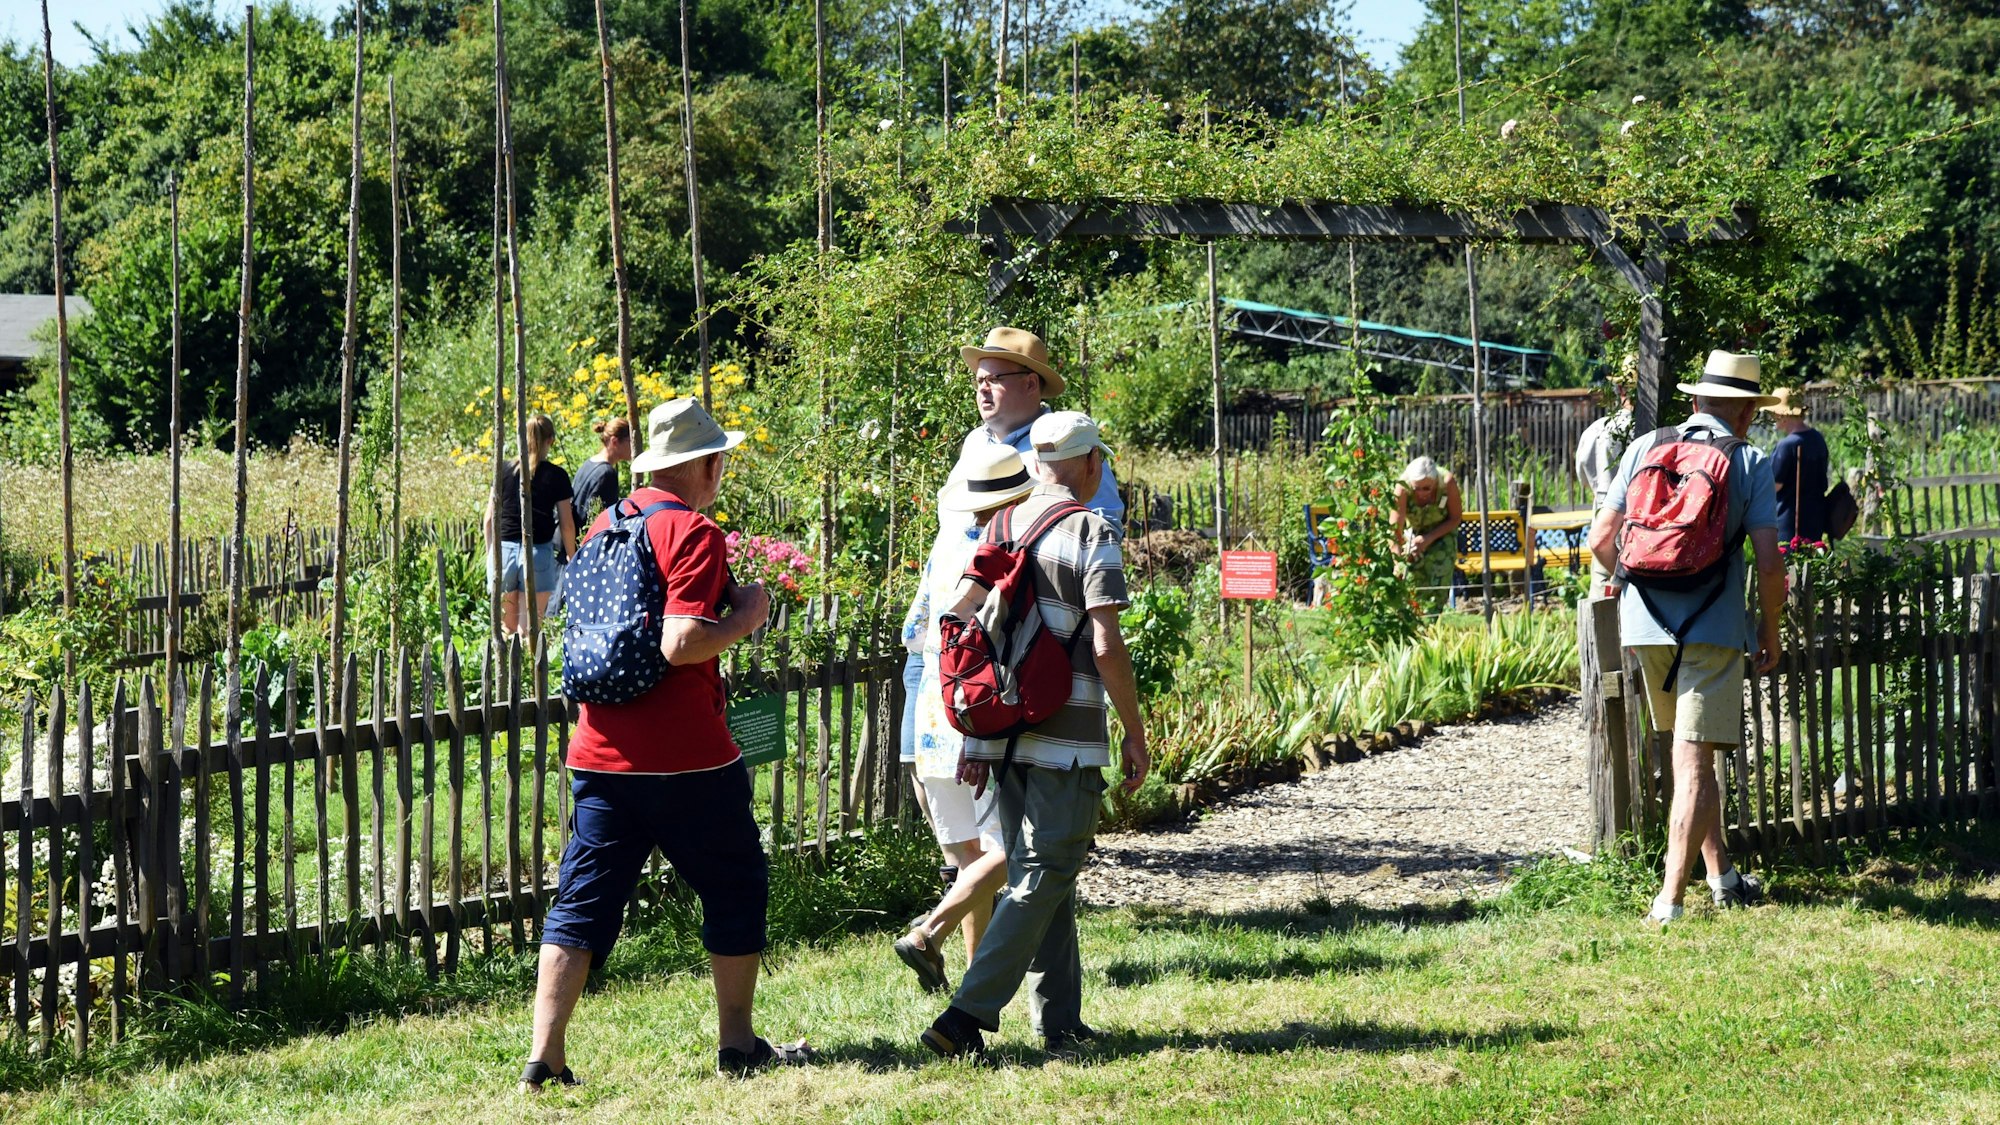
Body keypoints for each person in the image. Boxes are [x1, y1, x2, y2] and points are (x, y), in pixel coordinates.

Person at [522, 398, 808, 1090]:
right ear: (705, 465)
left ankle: (545, 1056)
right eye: (721, 460)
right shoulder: (693, 531)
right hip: (687, 756)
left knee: (582, 900)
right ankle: (738, 1042)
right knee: (736, 882)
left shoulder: (604, 524)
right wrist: (746, 616)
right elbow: (680, 643)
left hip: (597, 748)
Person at [921, 411, 1148, 1062]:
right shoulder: (1091, 529)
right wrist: (1133, 731)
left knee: (1044, 875)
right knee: (1046, 869)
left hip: (1002, 730)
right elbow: (1105, 642)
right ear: (1089, 463)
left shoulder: (998, 523)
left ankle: (1061, 1022)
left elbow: (960, 630)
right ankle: (965, 1015)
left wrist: (973, 730)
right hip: (1064, 732)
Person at [897, 326, 1129, 863]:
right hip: (942, 640)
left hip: (1008, 647)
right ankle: (981, 938)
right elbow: (950, 540)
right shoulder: (974, 445)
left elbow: (1096, 531)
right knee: (939, 794)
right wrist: (924, 620)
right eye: (978, 380)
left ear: (1032, 384)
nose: (982, 390)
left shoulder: (1060, 449)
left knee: (1000, 813)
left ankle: (994, 932)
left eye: (995, 379)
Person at [1586, 350, 1783, 927]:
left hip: (1644, 625)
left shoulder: (1645, 448)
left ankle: (1721, 877)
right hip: (1713, 627)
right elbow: (1771, 566)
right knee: (1695, 761)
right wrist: (1767, 628)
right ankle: (1670, 900)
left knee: (1684, 752)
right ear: (1746, 412)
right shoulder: (1747, 460)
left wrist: (1627, 583)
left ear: (1696, 401)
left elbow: (1602, 537)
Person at [892, 444, 1038, 995]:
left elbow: (914, 630)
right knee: (1012, 844)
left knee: (968, 857)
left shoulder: (946, 541)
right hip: (982, 712)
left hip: (935, 705)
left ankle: (973, 981)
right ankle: (931, 931)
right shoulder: (1015, 545)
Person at [484, 414, 577, 638]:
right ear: (550, 440)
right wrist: (571, 556)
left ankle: (504, 672)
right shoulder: (557, 475)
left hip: (503, 551)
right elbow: (566, 524)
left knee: (505, 629)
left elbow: (488, 519)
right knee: (529, 631)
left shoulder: (503, 470)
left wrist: (491, 555)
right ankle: (531, 672)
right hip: (537, 552)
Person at [1389, 456, 1463, 613]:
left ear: (1435, 481)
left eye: (1427, 488)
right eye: (1416, 488)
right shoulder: (1402, 487)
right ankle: (1410, 620)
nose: (1421, 493)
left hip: (1442, 532)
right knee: (1409, 579)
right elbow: (1395, 529)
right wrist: (1398, 562)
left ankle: (1431, 621)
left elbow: (1455, 518)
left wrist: (1428, 538)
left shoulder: (1447, 482)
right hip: (1413, 534)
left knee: (1438, 576)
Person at [1767, 388, 1829, 545]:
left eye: (1775, 413)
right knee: (1811, 563)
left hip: (1789, 521)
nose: (1773, 417)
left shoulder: (1786, 445)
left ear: (1783, 415)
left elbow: (1774, 485)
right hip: (1815, 517)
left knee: (1788, 565)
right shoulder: (1818, 438)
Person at [1575, 368, 1634, 503]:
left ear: (1620, 389)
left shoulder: (1595, 430)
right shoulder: (1654, 432)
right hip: (1638, 517)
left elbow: (1583, 481)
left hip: (1602, 513)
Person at [568, 416, 633, 533]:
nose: (633, 446)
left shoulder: (589, 463)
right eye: (630, 441)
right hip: (587, 539)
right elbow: (601, 518)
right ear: (614, 441)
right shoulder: (607, 473)